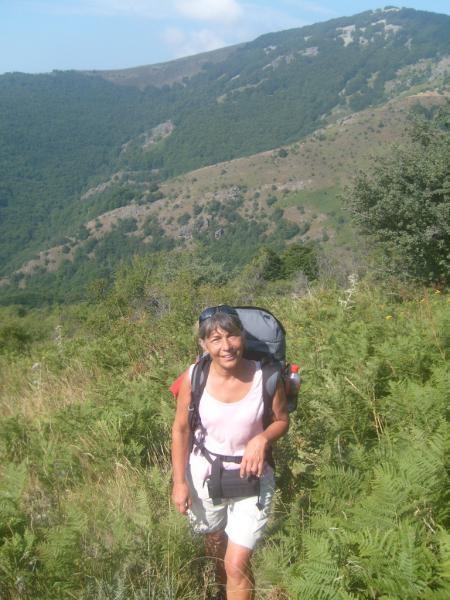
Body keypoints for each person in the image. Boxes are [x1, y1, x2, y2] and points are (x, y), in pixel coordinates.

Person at [171, 305, 289, 600]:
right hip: (205, 475)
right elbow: (181, 430)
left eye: (232, 336)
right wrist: (179, 482)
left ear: (243, 337)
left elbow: (282, 420)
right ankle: (220, 589)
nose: (226, 346)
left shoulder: (267, 376)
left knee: (236, 563)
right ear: (204, 344)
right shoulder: (194, 377)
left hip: (253, 478)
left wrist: (262, 438)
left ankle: (231, 583)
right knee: (214, 543)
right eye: (216, 339)